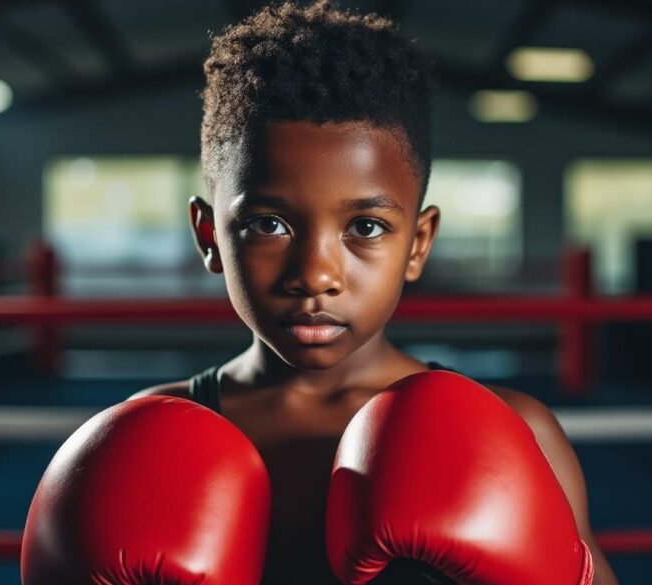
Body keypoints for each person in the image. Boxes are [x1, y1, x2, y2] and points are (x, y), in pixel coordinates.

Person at [131, 1, 616, 583]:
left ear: (418, 243)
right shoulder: (145, 437)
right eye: (268, 224)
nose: (314, 275)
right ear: (210, 237)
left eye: (365, 227)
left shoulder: (516, 430)